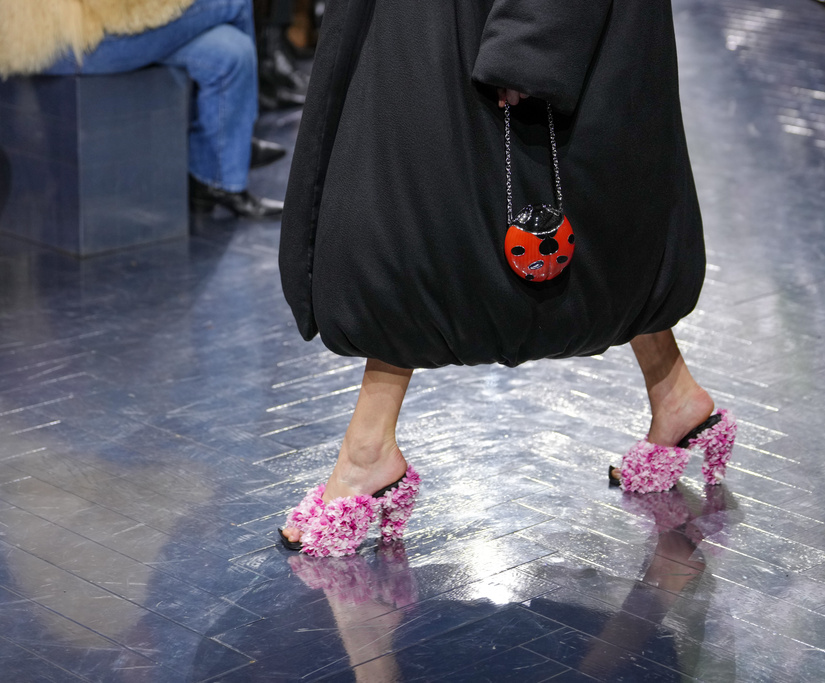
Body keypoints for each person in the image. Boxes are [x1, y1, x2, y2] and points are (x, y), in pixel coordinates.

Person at [277, 0, 738, 557]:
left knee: (415, 235)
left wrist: (531, 43)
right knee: (594, 233)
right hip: (469, 26)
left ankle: (368, 451)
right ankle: (676, 396)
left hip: (504, 30)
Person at [0, 0, 285, 218]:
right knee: (234, 1)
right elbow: (120, 10)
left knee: (231, 51)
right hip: (68, 37)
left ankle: (216, 180)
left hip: (75, 26)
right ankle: (237, 146)